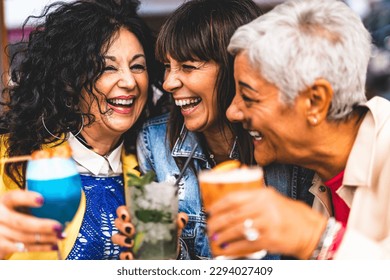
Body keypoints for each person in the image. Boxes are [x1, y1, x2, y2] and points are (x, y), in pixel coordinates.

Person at [112, 0, 315, 260]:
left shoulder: (290, 146)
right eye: (166, 66)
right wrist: (157, 254)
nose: (168, 83)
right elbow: (156, 258)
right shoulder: (154, 140)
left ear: (238, 68)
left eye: (188, 66)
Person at [207, 0, 390, 259]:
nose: (232, 112)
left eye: (248, 97)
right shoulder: (320, 175)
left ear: (315, 102)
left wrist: (312, 237)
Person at [0, 0, 164, 260]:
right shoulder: (8, 161)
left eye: (137, 66)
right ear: (69, 81)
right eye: (108, 67)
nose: (130, 81)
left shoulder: (155, 167)